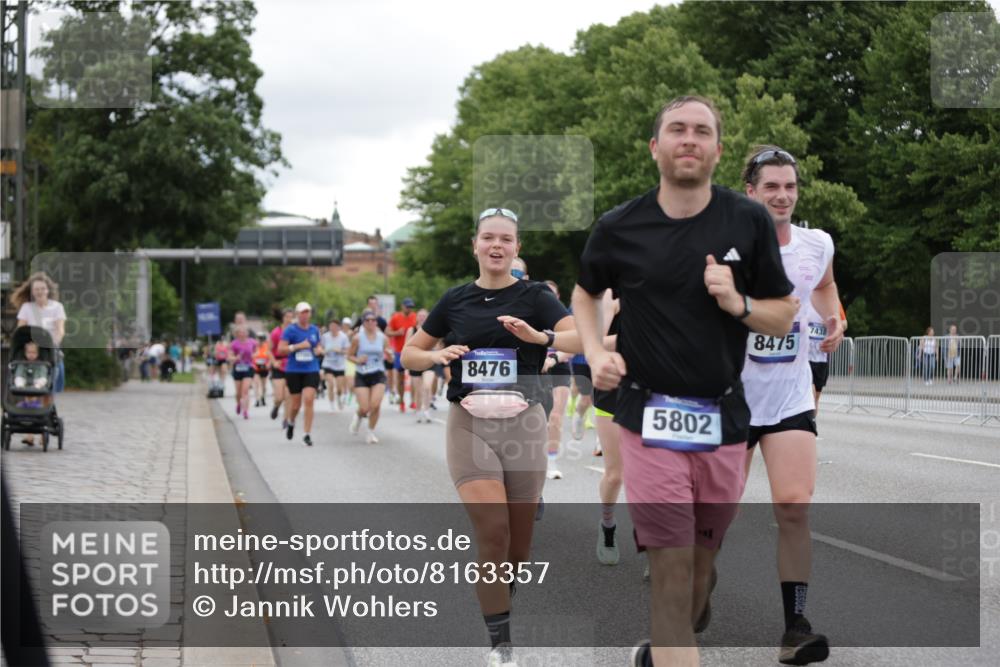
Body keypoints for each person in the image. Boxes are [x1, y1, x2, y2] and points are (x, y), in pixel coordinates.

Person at [572, 96, 797, 667]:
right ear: (656, 147)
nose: (689, 138)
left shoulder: (745, 220)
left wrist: (736, 300)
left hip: (722, 418)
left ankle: (683, 622)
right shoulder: (620, 226)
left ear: (718, 151)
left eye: (702, 131)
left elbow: (781, 313)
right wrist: (597, 350)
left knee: (698, 573)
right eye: (677, 129)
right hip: (646, 417)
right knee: (671, 570)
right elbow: (585, 292)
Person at [402, 207, 579, 667]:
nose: (496, 245)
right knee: (493, 532)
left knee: (518, 551)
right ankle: (501, 646)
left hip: (524, 425)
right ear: (475, 245)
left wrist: (539, 337)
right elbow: (409, 355)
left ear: (517, 247)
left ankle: (502, 591)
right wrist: (438, 353)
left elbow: (579, 338)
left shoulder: (536, 296)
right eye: (488, 238)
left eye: (506, 239)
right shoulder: (454, 300)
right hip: (470, 423)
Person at [739, 146, 844, 665]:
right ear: (751, 192)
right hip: (729, 398)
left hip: (790, 394)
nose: (782, 195)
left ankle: (794, 627)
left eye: (790, 186)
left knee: (794, 506)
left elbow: (824, 288)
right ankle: (692, 595)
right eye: (771, 186)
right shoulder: (723, 248)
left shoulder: (816, 243)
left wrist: (836, 319)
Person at [12, 272, 66, 446]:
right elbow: (21, 329)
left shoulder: (57, 307)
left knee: (46, 388)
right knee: (27, 386)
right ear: (32, 291)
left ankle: (44, 423)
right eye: (36, 289)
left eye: (42, 288)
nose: (40, 292)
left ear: (48, 290)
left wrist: (53, 344)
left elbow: (60, 330)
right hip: (31, 351)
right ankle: (29, 432)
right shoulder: (27, 308)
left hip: (49, 351)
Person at [278, 302, 323, 446]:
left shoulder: (314, 330)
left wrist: (319, 351)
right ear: (297, 314)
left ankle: (307, 434)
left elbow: (318, 346)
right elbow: (281, 350)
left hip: (311, 369)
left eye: (307, 312)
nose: (305, 315)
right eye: (302, 312)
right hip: (294, 370)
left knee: (309, 399)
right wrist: (297, 346)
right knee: (296, 405)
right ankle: (291, 422)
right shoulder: (290, 330)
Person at [348, 311, 393, 443]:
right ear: (363, 322)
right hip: (362, 373)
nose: (371, 322)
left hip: (378, 373)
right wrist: (358, 360)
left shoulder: (383, 338)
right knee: (365, 407)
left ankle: (370, 432)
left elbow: (389, 358)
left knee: (375, 405)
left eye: (373, 320)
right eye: (368, 320)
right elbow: (349, 355)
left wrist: (390, 356)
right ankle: (358, 415)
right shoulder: (357, 338)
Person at [387, 297, 418, 411]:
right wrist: (396, 332)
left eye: (411, 307)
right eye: (407, 306)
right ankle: (402, 400)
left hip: (413, 351)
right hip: (399, 351)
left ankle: (413, 401)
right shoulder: (395, 317)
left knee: (414, 376)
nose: (409, 309)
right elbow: (387, 331)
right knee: (400, 378)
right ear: (402, 306)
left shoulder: (415, 317)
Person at [269, 308, 294, 423]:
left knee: (289, 394)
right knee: (279, 397)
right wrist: (273, 362)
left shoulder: (295, 332)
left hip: (292, 365)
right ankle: (276, 406)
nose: (289, 319)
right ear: (282, 318)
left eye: (291, 317)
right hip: (278, 365)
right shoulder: (276, 332)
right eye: (287, 317)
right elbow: (268, 350)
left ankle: (286, 418)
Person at [321, 317, 350, 410]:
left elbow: (347, 351)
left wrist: (340, 351)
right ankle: (331, 405)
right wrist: (323, 351)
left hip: (340, 365)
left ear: (338, 327)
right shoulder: (325, 336)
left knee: (339, 388)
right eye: (331, 326)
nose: (332, 328)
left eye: (334, 326)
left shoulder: (343, 337)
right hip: (328, 363)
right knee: (330, 383)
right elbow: (320, 348)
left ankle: (338, 397)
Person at [229, 325, 257, 419]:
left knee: (245, 390)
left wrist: (254, 355)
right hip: (237, 368)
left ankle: (245, 411)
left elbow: (257, 352)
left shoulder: (252, 342)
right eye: (240, 332)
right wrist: (235, 358)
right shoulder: (234, 344)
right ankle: (238, 404)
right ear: (237, 334)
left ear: (247, 333)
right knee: (238, 393)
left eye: (244, 332)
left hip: (248, 367)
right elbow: (229, 357)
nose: (242, 334)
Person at [252, 333, 271, 407]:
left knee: (263, 385)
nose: (260, 342)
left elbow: (270, 356)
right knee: (256, 384)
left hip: (264, 368)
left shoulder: (267, 347)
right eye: (259, 340)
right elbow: (250, 356)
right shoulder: (254, 347)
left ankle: (263, 398)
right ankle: (257, 400)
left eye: (262, 340)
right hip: (256, 367)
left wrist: (268, 364)